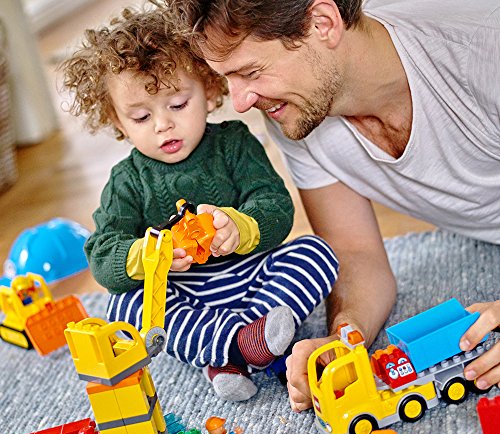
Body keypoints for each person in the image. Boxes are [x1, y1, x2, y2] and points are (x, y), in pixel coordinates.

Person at [172, 0, 500, 411]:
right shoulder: (296, 109)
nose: (239, 102)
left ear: (322, 23)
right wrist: (346, 336)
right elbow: (355, 252)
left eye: (251, 72)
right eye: (228, 78)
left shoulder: (483, 52)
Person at [60, 6, 339, 402]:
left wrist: (238, 226)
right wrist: (148, 256)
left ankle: (232, 349)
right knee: (124, 308)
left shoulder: (234, 143)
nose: (163, 125)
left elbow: (275, 206)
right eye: (140, 117)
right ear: (118, 122)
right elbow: (103, 257)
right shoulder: (126, 181)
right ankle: (238, 345)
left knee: (318, 252)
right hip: (185, 295)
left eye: (177, 105)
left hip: (252, 276)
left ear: (209, 90)